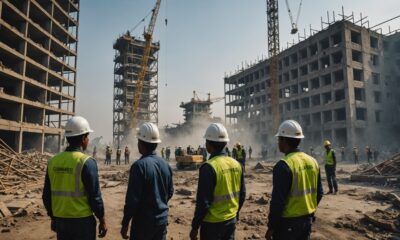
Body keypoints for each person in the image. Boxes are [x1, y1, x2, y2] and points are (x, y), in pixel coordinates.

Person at [42, 116, 107, 240]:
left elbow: (46, 195)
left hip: (61, 221)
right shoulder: (86, 162)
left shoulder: (53, 161)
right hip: (82, 222)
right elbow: (95, 197)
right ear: (83, 139)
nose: (88, 140)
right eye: (87, 137)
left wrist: (53, 217)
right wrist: (102, 219)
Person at [265, 120, 323, 240]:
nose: (278, 142)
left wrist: (271, 227)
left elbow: (278, 202)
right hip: (307, 220)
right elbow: (320, 193)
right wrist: (308, 211)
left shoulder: (284, 165)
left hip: (288, 225)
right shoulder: (313, 162)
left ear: (284, 140)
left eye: (279, 139)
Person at [190, 123, 246, 240]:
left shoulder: (209, 167)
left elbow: (203, 202)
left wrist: (195, 226)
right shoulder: (237, 164)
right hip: (231, 220)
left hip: (212, 224)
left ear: (209, 144)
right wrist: (235, 213)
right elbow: (242, 195)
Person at [121, 122, 174, 240]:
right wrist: (158, 203)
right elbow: (170, 192)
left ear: (141, 143)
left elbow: (132, 200)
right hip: (162, 221)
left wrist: (125, 223)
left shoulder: (139, 166)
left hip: (143, 223)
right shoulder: (166, 165)